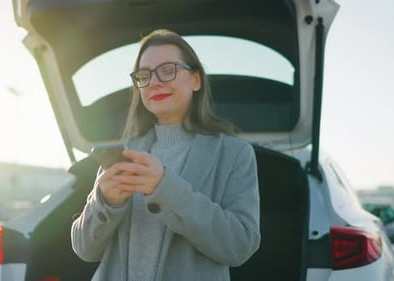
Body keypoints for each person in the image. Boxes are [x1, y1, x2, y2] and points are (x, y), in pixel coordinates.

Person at [71, 29, 260, 281]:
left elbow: (240, 245)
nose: (154, 82)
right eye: (144, 75)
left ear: (196, 80)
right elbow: (84, 248)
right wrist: (105, 202)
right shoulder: (124, 153)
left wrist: (165, 188)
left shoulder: (234, 154)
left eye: (168, 70)